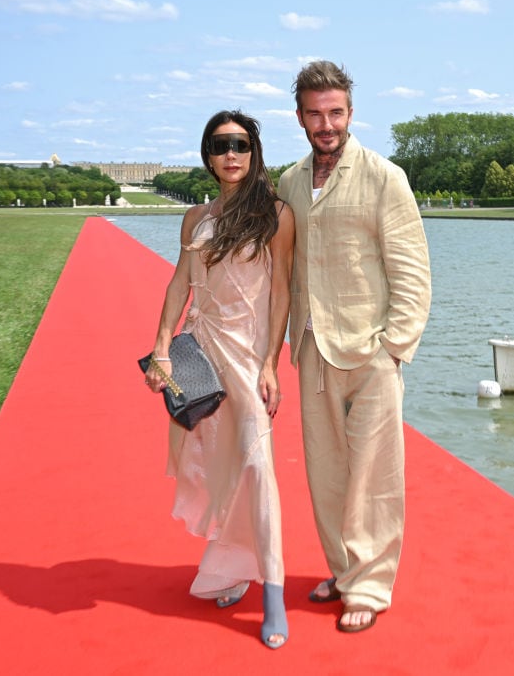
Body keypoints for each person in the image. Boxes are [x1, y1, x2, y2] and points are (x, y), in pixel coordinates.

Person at [277, 61, 431, 633]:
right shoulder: (289, 183)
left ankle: (370, 586)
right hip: (312, 348)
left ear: (350, 112)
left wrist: (393, 349)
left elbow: (412, 271)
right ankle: (344, 573)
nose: (327, 124)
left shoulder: (385, 177)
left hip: (370, 351)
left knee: (374, 476)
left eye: (335, 112)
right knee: (326, 474)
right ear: (299, 117)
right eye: (315, 114)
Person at [144, 110, 295, 649]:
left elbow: (281, 292)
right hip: (200, 353)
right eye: (220, 144)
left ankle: (273, 592)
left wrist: (271, 363)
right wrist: (162, 348)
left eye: (241, 144)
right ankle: (232, 568)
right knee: (221, 466)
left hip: (248, 357)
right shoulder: (195, 218)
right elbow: (179, 283)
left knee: (257, 466)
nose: (231, 154)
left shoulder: (276, 214)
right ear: (207, 155)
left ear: (254, 151)